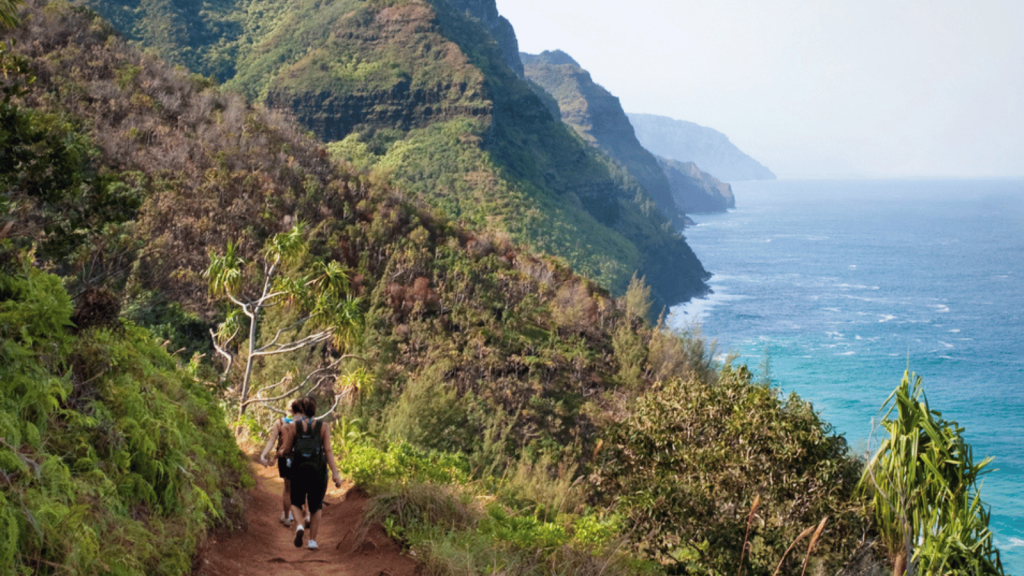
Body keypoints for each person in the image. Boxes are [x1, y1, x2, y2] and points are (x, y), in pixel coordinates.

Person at [276, 396, 343, 550]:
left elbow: (286, 450)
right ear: (315, 410)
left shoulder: (294, 426)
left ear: (302, 410)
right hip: (318, 471)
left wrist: (278, 454)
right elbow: (328, 450)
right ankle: (312, 541)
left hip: (298, 470)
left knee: (295, 502)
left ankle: (299, 524)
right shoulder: (323, 426)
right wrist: (335, 473)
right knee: (316, 507)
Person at [258, 399, 304, 526]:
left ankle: (286, 515)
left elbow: (272, 440)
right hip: (301, 458)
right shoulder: (306, 423)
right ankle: (301, 514)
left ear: (287, 409)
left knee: (288, 488)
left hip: (285, 457)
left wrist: (263, 454)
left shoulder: (280, 422)